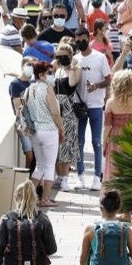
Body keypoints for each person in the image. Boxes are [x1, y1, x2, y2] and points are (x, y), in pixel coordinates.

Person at [22, 61, 65, 208]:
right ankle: (45, 199)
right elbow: (55, 112)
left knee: (39, 166)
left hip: (35, 132)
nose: (52, 76)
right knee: (49, 167)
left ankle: (27, 197)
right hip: (49, 131)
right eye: (49, 73)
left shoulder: (29, 89)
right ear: (41, 74)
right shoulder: (47, 89)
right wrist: (62, 129)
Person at [75, 27, 112, 191]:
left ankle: (98, 176)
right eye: (77, 40)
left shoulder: (100, 57)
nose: (80, 42)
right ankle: (80, 176)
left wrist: (97, 86)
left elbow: (109, 79)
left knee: (97, 142)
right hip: (79, 104)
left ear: (87, 38)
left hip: (96, 105)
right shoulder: (75, 59)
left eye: (82, 38)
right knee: (79, 142)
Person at [103, 69, 132, 183]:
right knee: (130, 169)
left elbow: (107, 126)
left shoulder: (110, 102)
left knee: (113, 168)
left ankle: (112, 195)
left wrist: (104, 143)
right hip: (131, 137)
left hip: (115, 138)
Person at [52, 42, 82, 191]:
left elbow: (71, 83)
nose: (61, 59)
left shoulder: (75, 70)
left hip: (68, 110)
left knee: (66, 146)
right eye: (59, 56)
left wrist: (73, 66)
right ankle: (58, 177)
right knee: (56, 146)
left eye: (64, 56)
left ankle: (65, 179)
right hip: (56, 110)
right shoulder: (57, 71)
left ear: (70, 56)